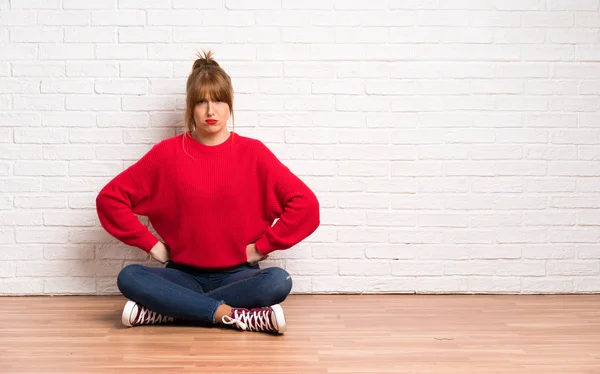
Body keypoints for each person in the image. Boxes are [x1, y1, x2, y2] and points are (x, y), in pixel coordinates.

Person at [95, 50, 320, 335]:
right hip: (181, 275)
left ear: (230, 105)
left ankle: (170, 312)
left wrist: (261, 248)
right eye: (201, 102)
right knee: (129, 277)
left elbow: (306, 206)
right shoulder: (166, 154)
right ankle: (233, 315)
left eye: (218, 101)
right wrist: (152, 245)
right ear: (191, 107)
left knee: (278, 281)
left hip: (239, 275)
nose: (210, 111)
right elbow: (110, 199)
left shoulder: (254, 153)